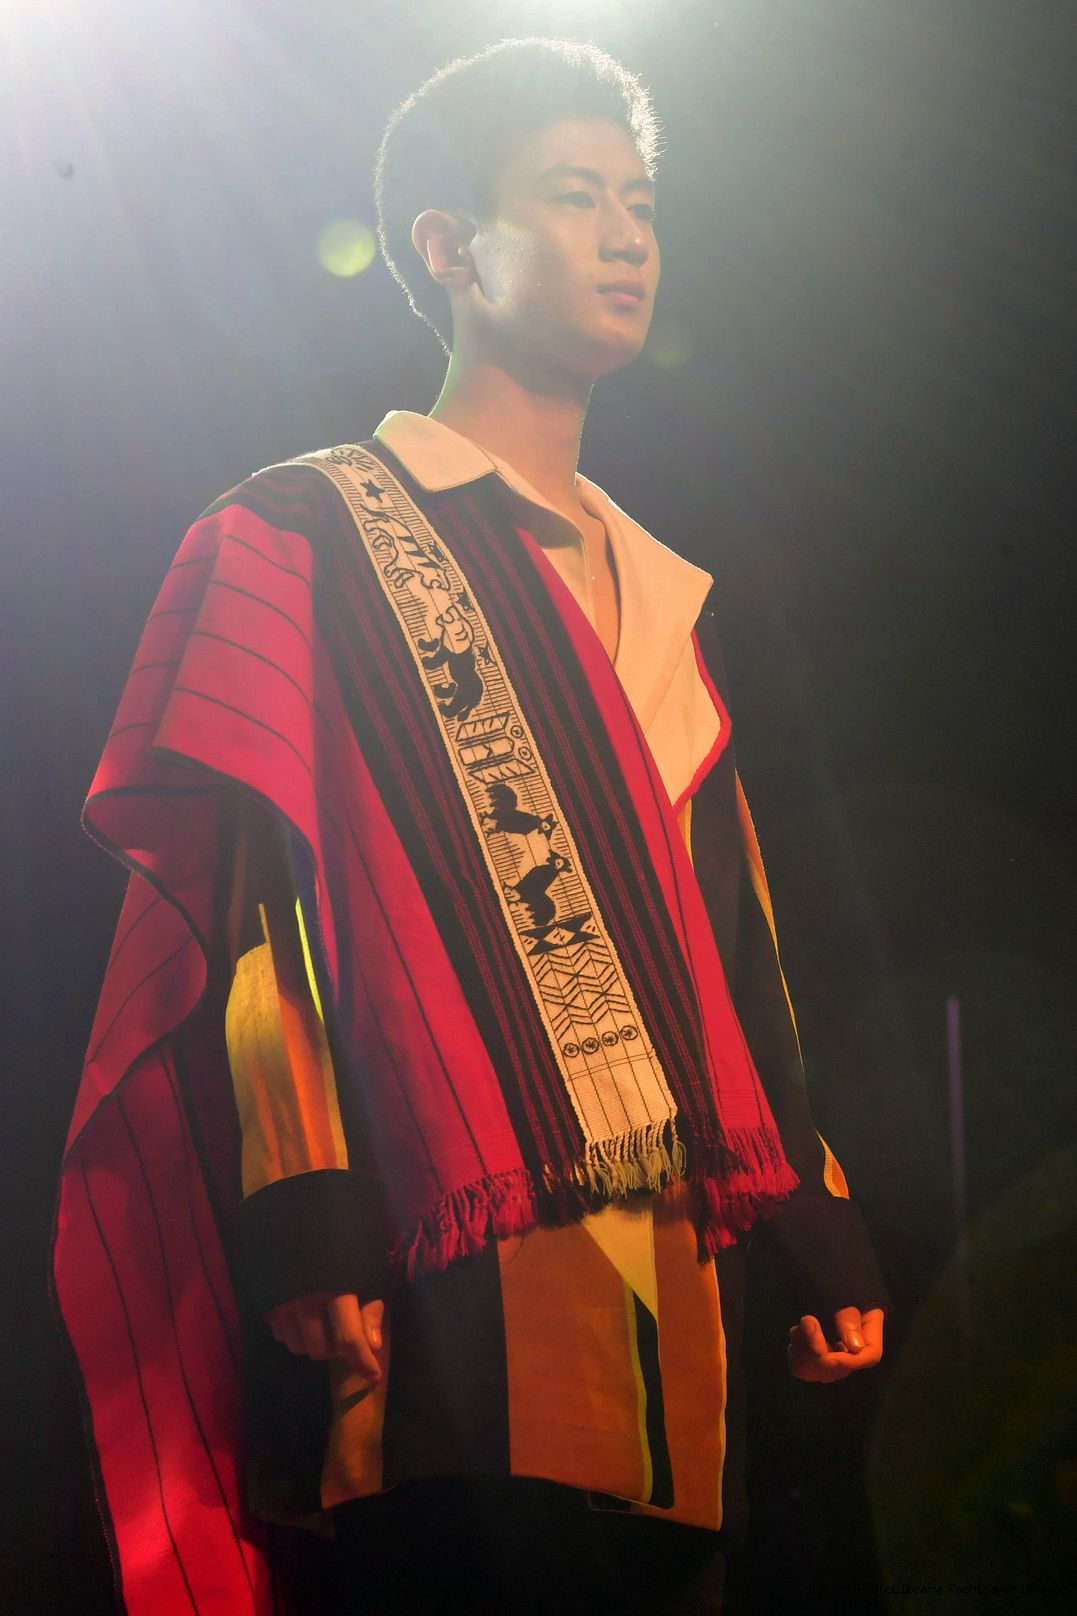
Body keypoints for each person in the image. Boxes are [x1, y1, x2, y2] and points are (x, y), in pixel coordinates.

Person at [53, 36, 889, 1616]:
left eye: (639, 204)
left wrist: (810, 1212)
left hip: (680, 1282)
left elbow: (732, 943)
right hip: (436, 1260)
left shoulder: (661, 589)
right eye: (572, 197)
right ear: (449, 247)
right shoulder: (305, 533)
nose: (626, 239)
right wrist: (309, 1208)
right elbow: (265, 911)